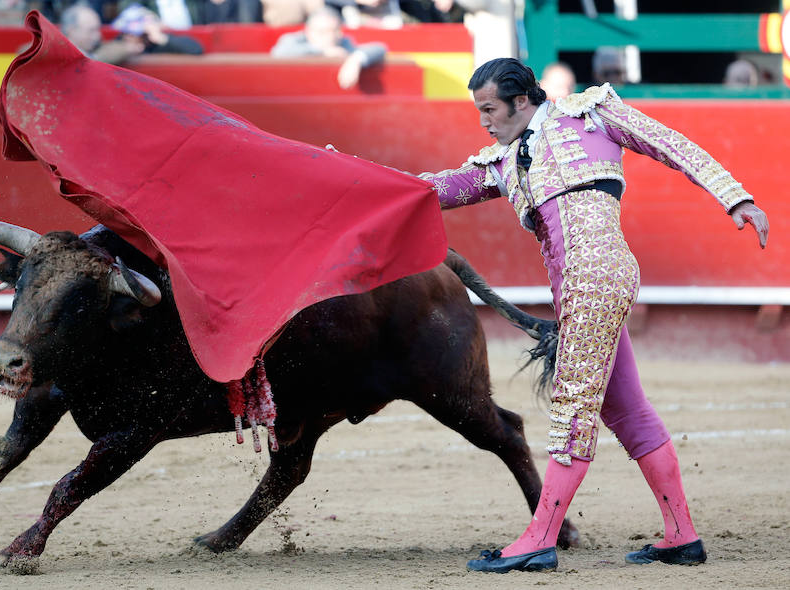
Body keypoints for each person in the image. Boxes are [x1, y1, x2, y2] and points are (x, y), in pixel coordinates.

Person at [418, 57, 769, 573]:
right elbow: (432, 189)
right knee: (626, 409)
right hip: (579, 286)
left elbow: (670, 143)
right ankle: (681, 536)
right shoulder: (502, 162)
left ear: (521, 100)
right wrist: (356, 178)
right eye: (479, 112)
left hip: (595, 274)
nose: (484, 122)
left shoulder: (590, 114)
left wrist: (735, 198)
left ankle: (540, 538)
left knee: (572, 407)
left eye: (490, 109)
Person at [270, 7, 387, 90]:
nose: (329, 37)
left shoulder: (343, 43)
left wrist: (355, 60)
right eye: (322, 32)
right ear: (308, 31)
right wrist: (322, 52)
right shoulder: (293, 40)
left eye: (333, 31)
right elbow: (278, 53)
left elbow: (380, 48)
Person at [60, 3, 201, 66]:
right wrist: (127, 49)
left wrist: (161, 38)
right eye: (131, 31)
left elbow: (196, 49)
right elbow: (93, 59)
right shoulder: (119, 43)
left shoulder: (153, 42)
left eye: (140, 31)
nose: (96, 36)